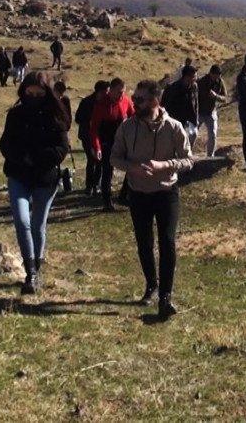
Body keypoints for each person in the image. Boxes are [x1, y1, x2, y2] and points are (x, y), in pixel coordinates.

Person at [110, 79, 194, 320]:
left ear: (155, 101)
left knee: (167, 241)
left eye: (140, 99)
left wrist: (164, 166)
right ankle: (151, 284)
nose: (134, 103)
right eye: (134, 98)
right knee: (144, 243)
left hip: (167, 192)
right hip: (138, 193)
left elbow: (189, 160)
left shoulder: (174, 127)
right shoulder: (127, 127)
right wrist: (132, 168)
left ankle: (165, 297)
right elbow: (114, 158)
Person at [0, 71, 70, 295]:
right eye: (30, 93)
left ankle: (36, 268)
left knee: (38, 224)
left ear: (47, 93)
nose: (34, 97)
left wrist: (39, 158)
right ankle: (30, 271)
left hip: (45, 178)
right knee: (22, 221)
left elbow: (62, 148)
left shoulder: (55, 116)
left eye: (39, 94)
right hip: (18, 175)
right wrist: (21, 158)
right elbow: (4, 143)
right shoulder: (15, 115)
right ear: (23, 92)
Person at [89, 77, 135, 211]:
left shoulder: (126, 101)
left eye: (123, 91)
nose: (121, 94)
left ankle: (124, 195)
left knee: (132, 166)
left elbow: (134, 116)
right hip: (107, 142)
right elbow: (94, 129)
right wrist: (97, 147)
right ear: (111, 90)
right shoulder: (101, 104)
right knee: (107, 171)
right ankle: (107, 201)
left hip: (123, 141)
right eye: (119, 92)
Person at [74, 80, 109, 196]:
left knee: (100, 160)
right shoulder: (86, 102)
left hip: (101, 136)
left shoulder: (106, 102)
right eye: (105, 92)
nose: (107, 94)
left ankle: (96, 185)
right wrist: (89, 121)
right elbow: (78, 118)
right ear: (99, 91)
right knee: (91, 160)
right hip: (87, 135)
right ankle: (89, 186)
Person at [161, 65, 200, 148]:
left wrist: (196, 119)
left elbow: (196, 103)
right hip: (174, 120)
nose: (196, 79)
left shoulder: (194, 87)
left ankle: (187, 154)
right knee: (175, 143)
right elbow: (164, 105)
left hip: (189, 120)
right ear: (186, 77)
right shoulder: (172, 88)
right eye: (194, 77)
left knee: (192, 136)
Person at [196, 65, 228, 157]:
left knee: (213, 135)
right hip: (199, 112)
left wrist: (216, 96)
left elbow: (225, 98)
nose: (217, 78)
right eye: (215, 76)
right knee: (192, 133)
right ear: (211, 73)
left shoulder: (220, 82)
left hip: (211, 112)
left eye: (218, 76)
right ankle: (186, 153)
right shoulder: (201, 81)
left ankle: (210, 156)